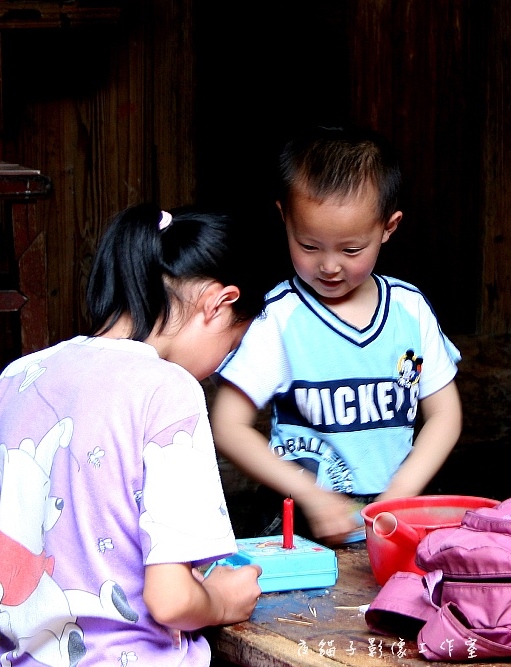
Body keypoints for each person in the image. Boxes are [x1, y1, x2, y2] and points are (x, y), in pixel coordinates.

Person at [0, 203, 269, 667]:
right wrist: (221, 601)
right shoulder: (168, 390)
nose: (219, 364)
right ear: (219, 303)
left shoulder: (17, 376)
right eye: (233, 344)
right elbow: (171, 600)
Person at [211, 125, 463, 546]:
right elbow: (228, 425)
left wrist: (396, 500)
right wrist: (312, 496)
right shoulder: (280, 318)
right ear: (284, 219)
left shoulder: (409, 310)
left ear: (388, 227)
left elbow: (445, 415)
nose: (329, 266)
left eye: (351, 250)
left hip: (398, 512)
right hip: (302, 521)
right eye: (309, 245)